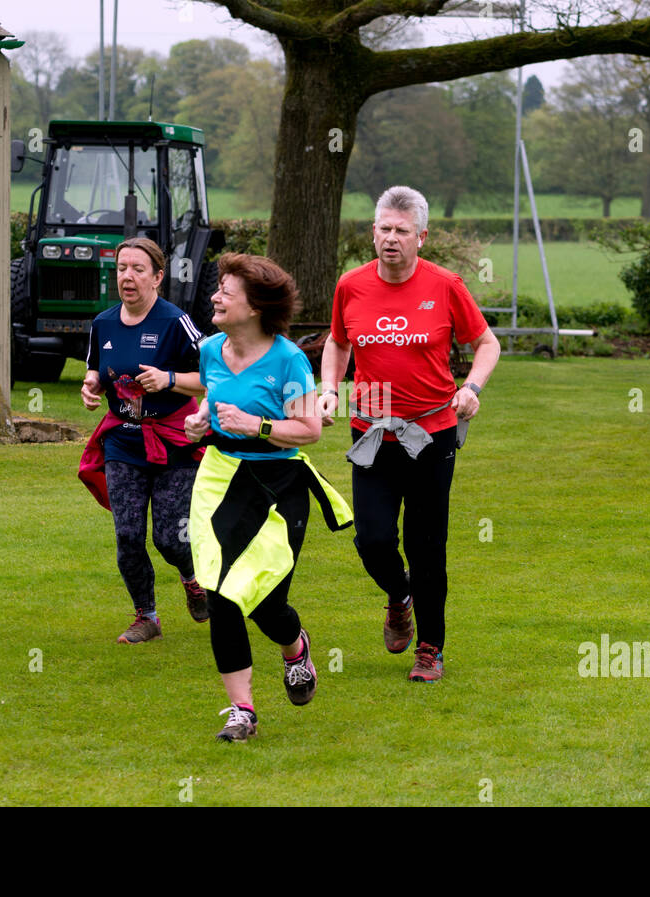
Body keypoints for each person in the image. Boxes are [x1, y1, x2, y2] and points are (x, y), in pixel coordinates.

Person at [319, 185, 501, 683]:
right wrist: (329, 388)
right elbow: (337, 343)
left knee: (426, 546)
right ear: (372, 232)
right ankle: (399, 597)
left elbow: (487, 342)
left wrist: (472, 387)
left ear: (421, 237)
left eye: (402, 231)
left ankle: (430, 648)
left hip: (432, 434)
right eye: (383, 229)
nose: (391, 238)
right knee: (372, 539)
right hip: (372, 434)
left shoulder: (445, 285)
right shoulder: (351, 286)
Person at [184, 253, 352, 742]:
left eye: (226, 291)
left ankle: (295, 646)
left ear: (255, 307)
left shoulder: (288, 360)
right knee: (220, 593)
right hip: (218, 479)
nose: (215, 296)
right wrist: (201, 421)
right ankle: (242, 711)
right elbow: (212, 403)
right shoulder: (212, 350)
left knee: (265, 601)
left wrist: (255, 425)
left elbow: (310, 430)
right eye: (218, 286)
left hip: (278, 486)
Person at [79, 237, 209, 645]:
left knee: (170, 537)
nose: (127, 277)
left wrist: (170, 379)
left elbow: (210, 378)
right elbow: (97, 370)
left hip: (174, 440)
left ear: (157, 276)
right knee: (128, 535)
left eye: (137, 269)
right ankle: (146, 617)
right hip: (123, 442)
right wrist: (91, 387)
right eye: (121, 269)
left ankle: (192, 579)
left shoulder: (175, 322)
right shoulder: (103, 324)